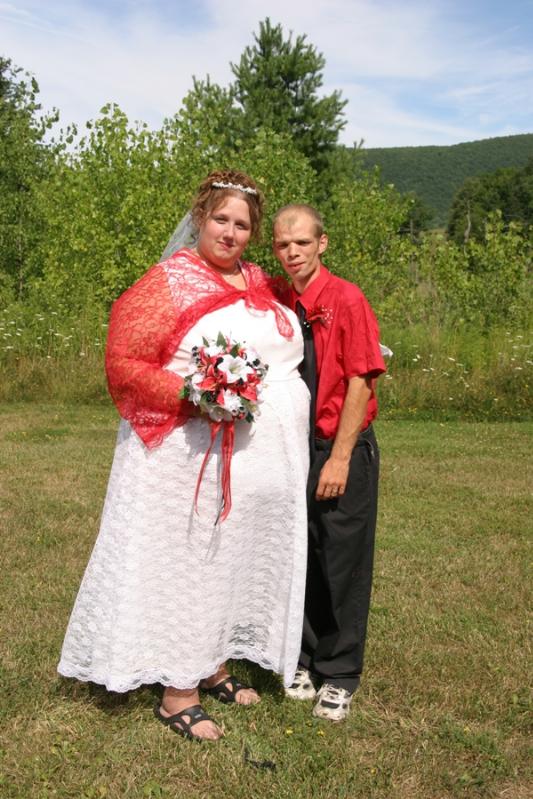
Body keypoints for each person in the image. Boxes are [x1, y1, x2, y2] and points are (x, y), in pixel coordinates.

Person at [58, 171, 309, 742]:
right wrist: (197, 396)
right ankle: (177, 694)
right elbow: (124, 361)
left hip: (243, 462)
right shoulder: (168, 282)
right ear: (199, 217)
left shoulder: (259, 281)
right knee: (191, 563)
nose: (230, 232)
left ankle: (213, 663)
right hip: (180, 456)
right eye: (221, 219)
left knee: (226, 559)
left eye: (242, 224)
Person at [272, 203, 386, 722]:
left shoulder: (347, 299)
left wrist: (339, 458)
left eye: (301, 242)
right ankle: (304, 658)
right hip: (291, 448)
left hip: (339, 444)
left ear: (323, 243)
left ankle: (339, 673)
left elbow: (362, 378)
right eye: (281, 244)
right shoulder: (277, 299)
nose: (291, 252)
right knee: (302, 553)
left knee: (342, 558)